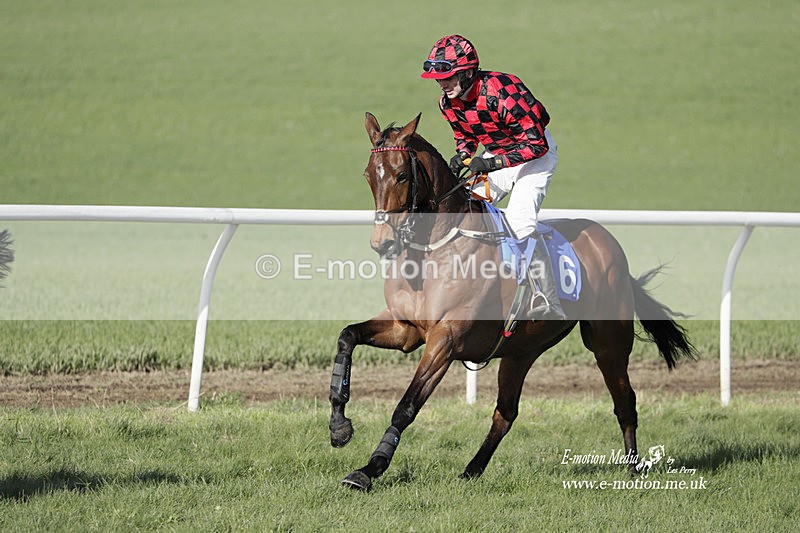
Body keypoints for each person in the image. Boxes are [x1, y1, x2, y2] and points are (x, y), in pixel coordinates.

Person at [420, 34, 566, 320]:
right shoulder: (447, 103)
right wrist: (461, 157)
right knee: (464, 208)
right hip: (497, 156)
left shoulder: (502, 90)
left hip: (535, 156)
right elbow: (465, 137)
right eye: (439, 78)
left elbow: (537, 144)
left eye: (448, 77)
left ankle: (548, 300)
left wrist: (493, 162)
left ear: (467, 72)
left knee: (520, 223)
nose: (442, 84)